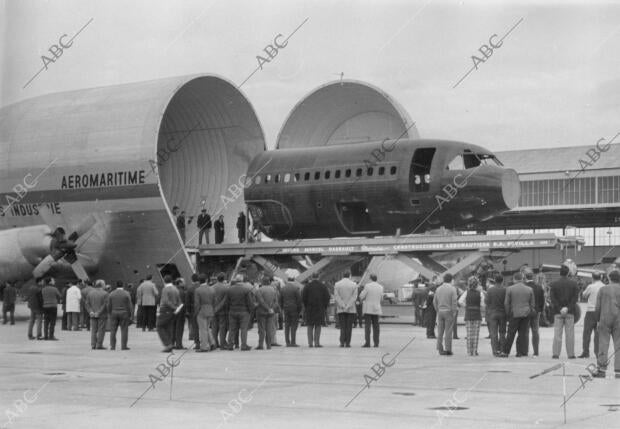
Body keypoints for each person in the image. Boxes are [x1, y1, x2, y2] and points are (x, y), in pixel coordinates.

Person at [593, 269, 620, 378]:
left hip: (604, 318)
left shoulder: (603, 289)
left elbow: (597, 307)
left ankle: (601, 369)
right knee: (619, 345)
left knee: (603, 344)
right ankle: (618, 370)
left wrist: (597, 320)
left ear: (609, 278)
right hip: (619, 319)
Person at [549, 265, 579, 359]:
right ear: (568, 273)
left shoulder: (554, 284)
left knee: (557, 334)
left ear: (560, 273)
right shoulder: (574, 284)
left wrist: (560, 308)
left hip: (558, 313)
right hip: (570, 313)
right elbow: (575, 299)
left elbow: (553, 299)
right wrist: (567, 308)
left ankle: (555, 354)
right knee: (570, 334)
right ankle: (571, 354)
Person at [504, 272, 535, 357]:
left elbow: (506, 303)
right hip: (526, 314)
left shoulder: (509, 289)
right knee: (522, 334)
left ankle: (506, 352)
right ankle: (520, 352)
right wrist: (529, 311)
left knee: (510, 333)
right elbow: (532, 304)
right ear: (522, 279)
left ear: (514, 279)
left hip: (514, 313)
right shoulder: (529, 289)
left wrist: (508, 313)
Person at [225, 273, 254, 351]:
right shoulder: (246, 289)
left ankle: (230, 345)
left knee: (232, 329)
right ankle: (244, 345)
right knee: (244, 329)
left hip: (232, 311)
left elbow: (227, 302)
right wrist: (251, 311)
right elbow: (250, 302)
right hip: (244, 312)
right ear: (242, 280)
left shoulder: (229, 289)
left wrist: (228, 310)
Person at [302, 273, 330, 347]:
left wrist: (306, 306)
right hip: (320, 309)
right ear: (318, 277)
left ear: (311, 277)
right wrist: (324, 306)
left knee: (310, 326)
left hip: (310, 309)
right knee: (318, 326)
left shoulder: (307, 286)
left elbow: (303, 297)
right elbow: (327, 297)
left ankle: (310, 343)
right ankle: (317, 343)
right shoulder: (323, 286)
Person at [580, 272, 604, 358]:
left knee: (587, 332)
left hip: (590, 311)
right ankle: (597, 353)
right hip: (601, 312)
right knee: (598, 334)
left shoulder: (591, 286)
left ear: (592, 278)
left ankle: (585, 352)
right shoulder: (604, 286)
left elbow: (584, 295)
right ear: (601, 277)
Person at [459, 276, 485, 356]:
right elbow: (482, 304)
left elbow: (460, 301)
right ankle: (474, 351)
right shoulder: (480, 293)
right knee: (476, 334)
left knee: (469, 334)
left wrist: (466, 306)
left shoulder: (466, 292)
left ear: (469, 284)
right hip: (477, 314)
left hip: (468, 314)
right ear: (477, 284)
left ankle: (469, 351)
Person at [157, 275, 182, 353]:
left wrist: (174, 307)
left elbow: (165, 301)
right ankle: (170, 343)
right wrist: (177, 308)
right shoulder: (176, 289)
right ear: (171, 281)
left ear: (164, 281)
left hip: (165, 310)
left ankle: (168, 344)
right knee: (168, 327)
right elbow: (179, 301)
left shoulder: (165, 289)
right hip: (173, 312)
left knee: (159, 326)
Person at [434, 273, 457, 355]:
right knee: (448, 331)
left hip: (440, 311)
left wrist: (438, 310)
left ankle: (440, 349)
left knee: (440, 331)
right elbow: (454, 302)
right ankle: (448, 349)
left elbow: (434, 302)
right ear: (451, 280)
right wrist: (454, 312)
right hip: (449, 312)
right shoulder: (452, 289)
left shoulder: (438, 289)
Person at [106, 281, 132, 350]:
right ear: (123, 285)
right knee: (124, 330)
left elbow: (108, 305)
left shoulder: (111, 294)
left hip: (114, 313)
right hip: (124, 313)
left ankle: (112, 346)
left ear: (116, 285)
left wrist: (109, 313)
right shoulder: (126, 293)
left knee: (113, 330)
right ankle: (123, 346)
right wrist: (130, 314)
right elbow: (130, 305)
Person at [524, 269, 545, 357]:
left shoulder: (524, 286)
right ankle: (536, 352)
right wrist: (540, 310)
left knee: (525, 331)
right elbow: (542, 300)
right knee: (535, 331)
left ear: (525, 277)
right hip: (536, 312)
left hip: (525, 312)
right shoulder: (539, 287)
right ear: (533, 277)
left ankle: (525, 351)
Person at [485, 273, 507, 357]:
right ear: (502, 281)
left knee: (493, 333)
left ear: (495, 280)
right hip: (502, 313)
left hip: (493, 313)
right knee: (502, 333)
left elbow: (486, 301)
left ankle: (495, 351)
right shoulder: (505, 289)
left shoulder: (490, 290)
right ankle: (502, 350)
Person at [334, 272, 358, 348]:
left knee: (342, 326)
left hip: (341, 309)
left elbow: (336, 296)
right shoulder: (354, 284)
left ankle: (341, 342)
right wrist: (348, 306)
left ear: (343, 275)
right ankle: (347, 343)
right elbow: (354, 297)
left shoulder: (337, 284)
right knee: (349, 327)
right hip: (351, 309)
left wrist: (343, 305)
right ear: (349, 276)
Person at [360, 274, 384, 348]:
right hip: (376, 308)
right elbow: (381, 299)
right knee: (376, 327)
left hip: (368, 309)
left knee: (367, 327)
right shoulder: (380, 287)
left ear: (370, 279)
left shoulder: (367, 286)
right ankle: (376, 343)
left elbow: (362, 296)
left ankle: (367, 343)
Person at [194, 273, 216, 352]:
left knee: (203, 329)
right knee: (207, 328)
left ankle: (204, 347)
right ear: (206, 280)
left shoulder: (198, 290)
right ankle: (212, 343)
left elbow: (197, 304)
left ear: (199, 281)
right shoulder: (212, 289)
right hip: (210, 310)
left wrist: (195, 313)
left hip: (202, 311)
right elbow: (214, 301)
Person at [255, 277, 277, 350]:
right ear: (269, 282)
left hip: (261, 312)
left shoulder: (259, 290)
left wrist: (267, 308)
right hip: (271, 313)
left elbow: (261, 301)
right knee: (269, 329)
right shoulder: (273, 290)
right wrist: (271, 309)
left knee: (261, 329)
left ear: (262, 282)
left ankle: (260, 345)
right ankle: (269, 345)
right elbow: (275, 301)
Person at [280, 275, 302, 347]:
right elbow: (299, 301)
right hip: (294, 309)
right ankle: (293, 342)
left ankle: (287, 342)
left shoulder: (283, 289)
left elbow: (280, 300)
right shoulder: (296, 289)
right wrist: (299, 310)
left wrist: (282, 308)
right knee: (293, 326)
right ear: (294, 281)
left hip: (286, 309)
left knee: (286, 325)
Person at [85, 279, 108, 350]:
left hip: (92, 315)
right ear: (102, 285)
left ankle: (93, 344)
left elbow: (87, 304)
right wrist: (99, 312)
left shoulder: (90, 293)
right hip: (102, 315)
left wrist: (91, 311)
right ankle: (99, 345)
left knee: (93, 330)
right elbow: (105, 305)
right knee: (101, 330)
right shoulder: (105, 293)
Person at [212, 272, 229, 349]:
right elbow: (226, 300)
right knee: (222, 327)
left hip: (213, 310)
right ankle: (222, 344)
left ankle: (215, 343)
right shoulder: (226, 288)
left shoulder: (211, 288)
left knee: (214, 327)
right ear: (224, 279)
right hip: (223, 310)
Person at [186, 273, 200, 350]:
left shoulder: (190, 288)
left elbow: (187, 301)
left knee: (195, 327)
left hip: (193, 310)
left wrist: (187, 311)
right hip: (201, 309)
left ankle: (197, 343)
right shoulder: (202, 287)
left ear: (192, 280)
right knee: (203, 327)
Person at [173, 278, 187, 349]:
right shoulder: (182, 292)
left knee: (173, 328)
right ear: (179, 283)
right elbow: (183, 303)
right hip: (180, 312)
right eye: (183, 282)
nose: (184, 283)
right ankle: (179, 344)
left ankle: (172, 344)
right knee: (179, 328)